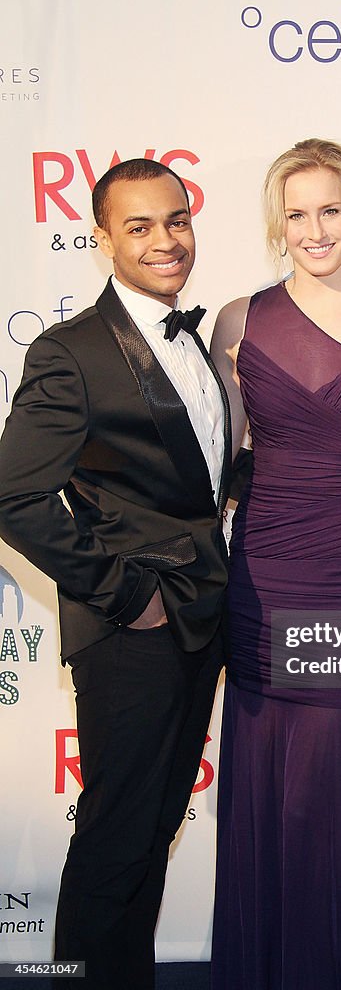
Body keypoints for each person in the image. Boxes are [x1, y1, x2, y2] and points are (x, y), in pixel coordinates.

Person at [0, 159, 233, 990]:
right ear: (102, 240)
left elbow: (192, 480)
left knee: (153, 826)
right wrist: (127, 595)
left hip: (201, 619)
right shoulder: (71, 352)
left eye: (176, 220)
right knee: (114, 836)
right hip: (132, 629)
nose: (165, 241)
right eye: (139, 227)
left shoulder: (189, 335)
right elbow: (15, 497)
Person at [209, 138, 341, 990]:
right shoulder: (238, 319)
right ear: (276, 223)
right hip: (262, 564)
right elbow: (217, 459)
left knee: (335, 778)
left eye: (328, 209)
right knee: (262, 772)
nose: (314, 229)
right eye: (295, 214)